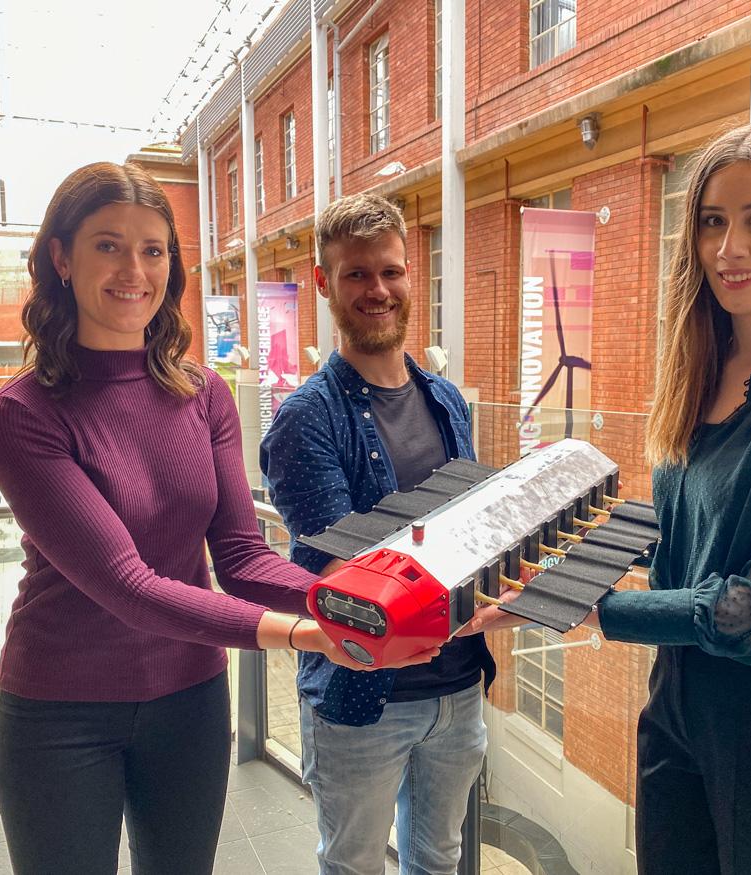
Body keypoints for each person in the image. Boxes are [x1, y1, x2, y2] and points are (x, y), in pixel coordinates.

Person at [467, 123, 751, 873]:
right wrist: (535, 538)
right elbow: (680, 531)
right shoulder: (707, 363)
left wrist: (586, 606)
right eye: (712, 221)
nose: (729, 248)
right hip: (679, 707)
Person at [0, 164, 436, 875]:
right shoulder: (17, 416)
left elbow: (243, 556)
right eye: (108, 246)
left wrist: (357, 601)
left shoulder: (203, 393)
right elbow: (127, 583)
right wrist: (308, 634)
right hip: (58, 709)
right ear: (61, 258)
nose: (134, 269)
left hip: (187, 698)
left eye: (153, 250)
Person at [260, 193, 494, 875]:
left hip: (457, 690)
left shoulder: (445, 398)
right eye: (357, 274)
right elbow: (349, 578)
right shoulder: (307, 419)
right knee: (354, 864)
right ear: (325, 283)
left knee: (438, 858)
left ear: (410, 275)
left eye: (391, 271)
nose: (378, 289)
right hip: (365, 697)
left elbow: (472, 530)